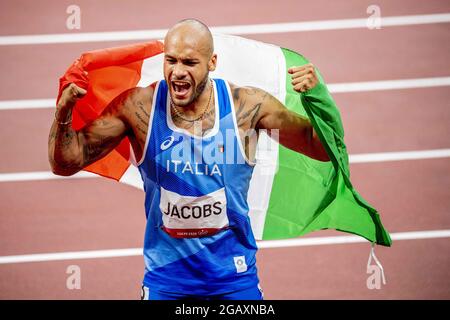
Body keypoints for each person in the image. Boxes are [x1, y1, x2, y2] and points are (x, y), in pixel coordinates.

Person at [48, 19, 330, 300]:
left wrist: (318, 98)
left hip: (235, 279)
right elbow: (65, 164)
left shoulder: (247, 108)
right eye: (171, 60)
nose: (177, 72)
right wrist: (63, 113)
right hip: (166, 282)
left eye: (189, 63)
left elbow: (322, 149)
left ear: (212, 62)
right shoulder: (139, 108)